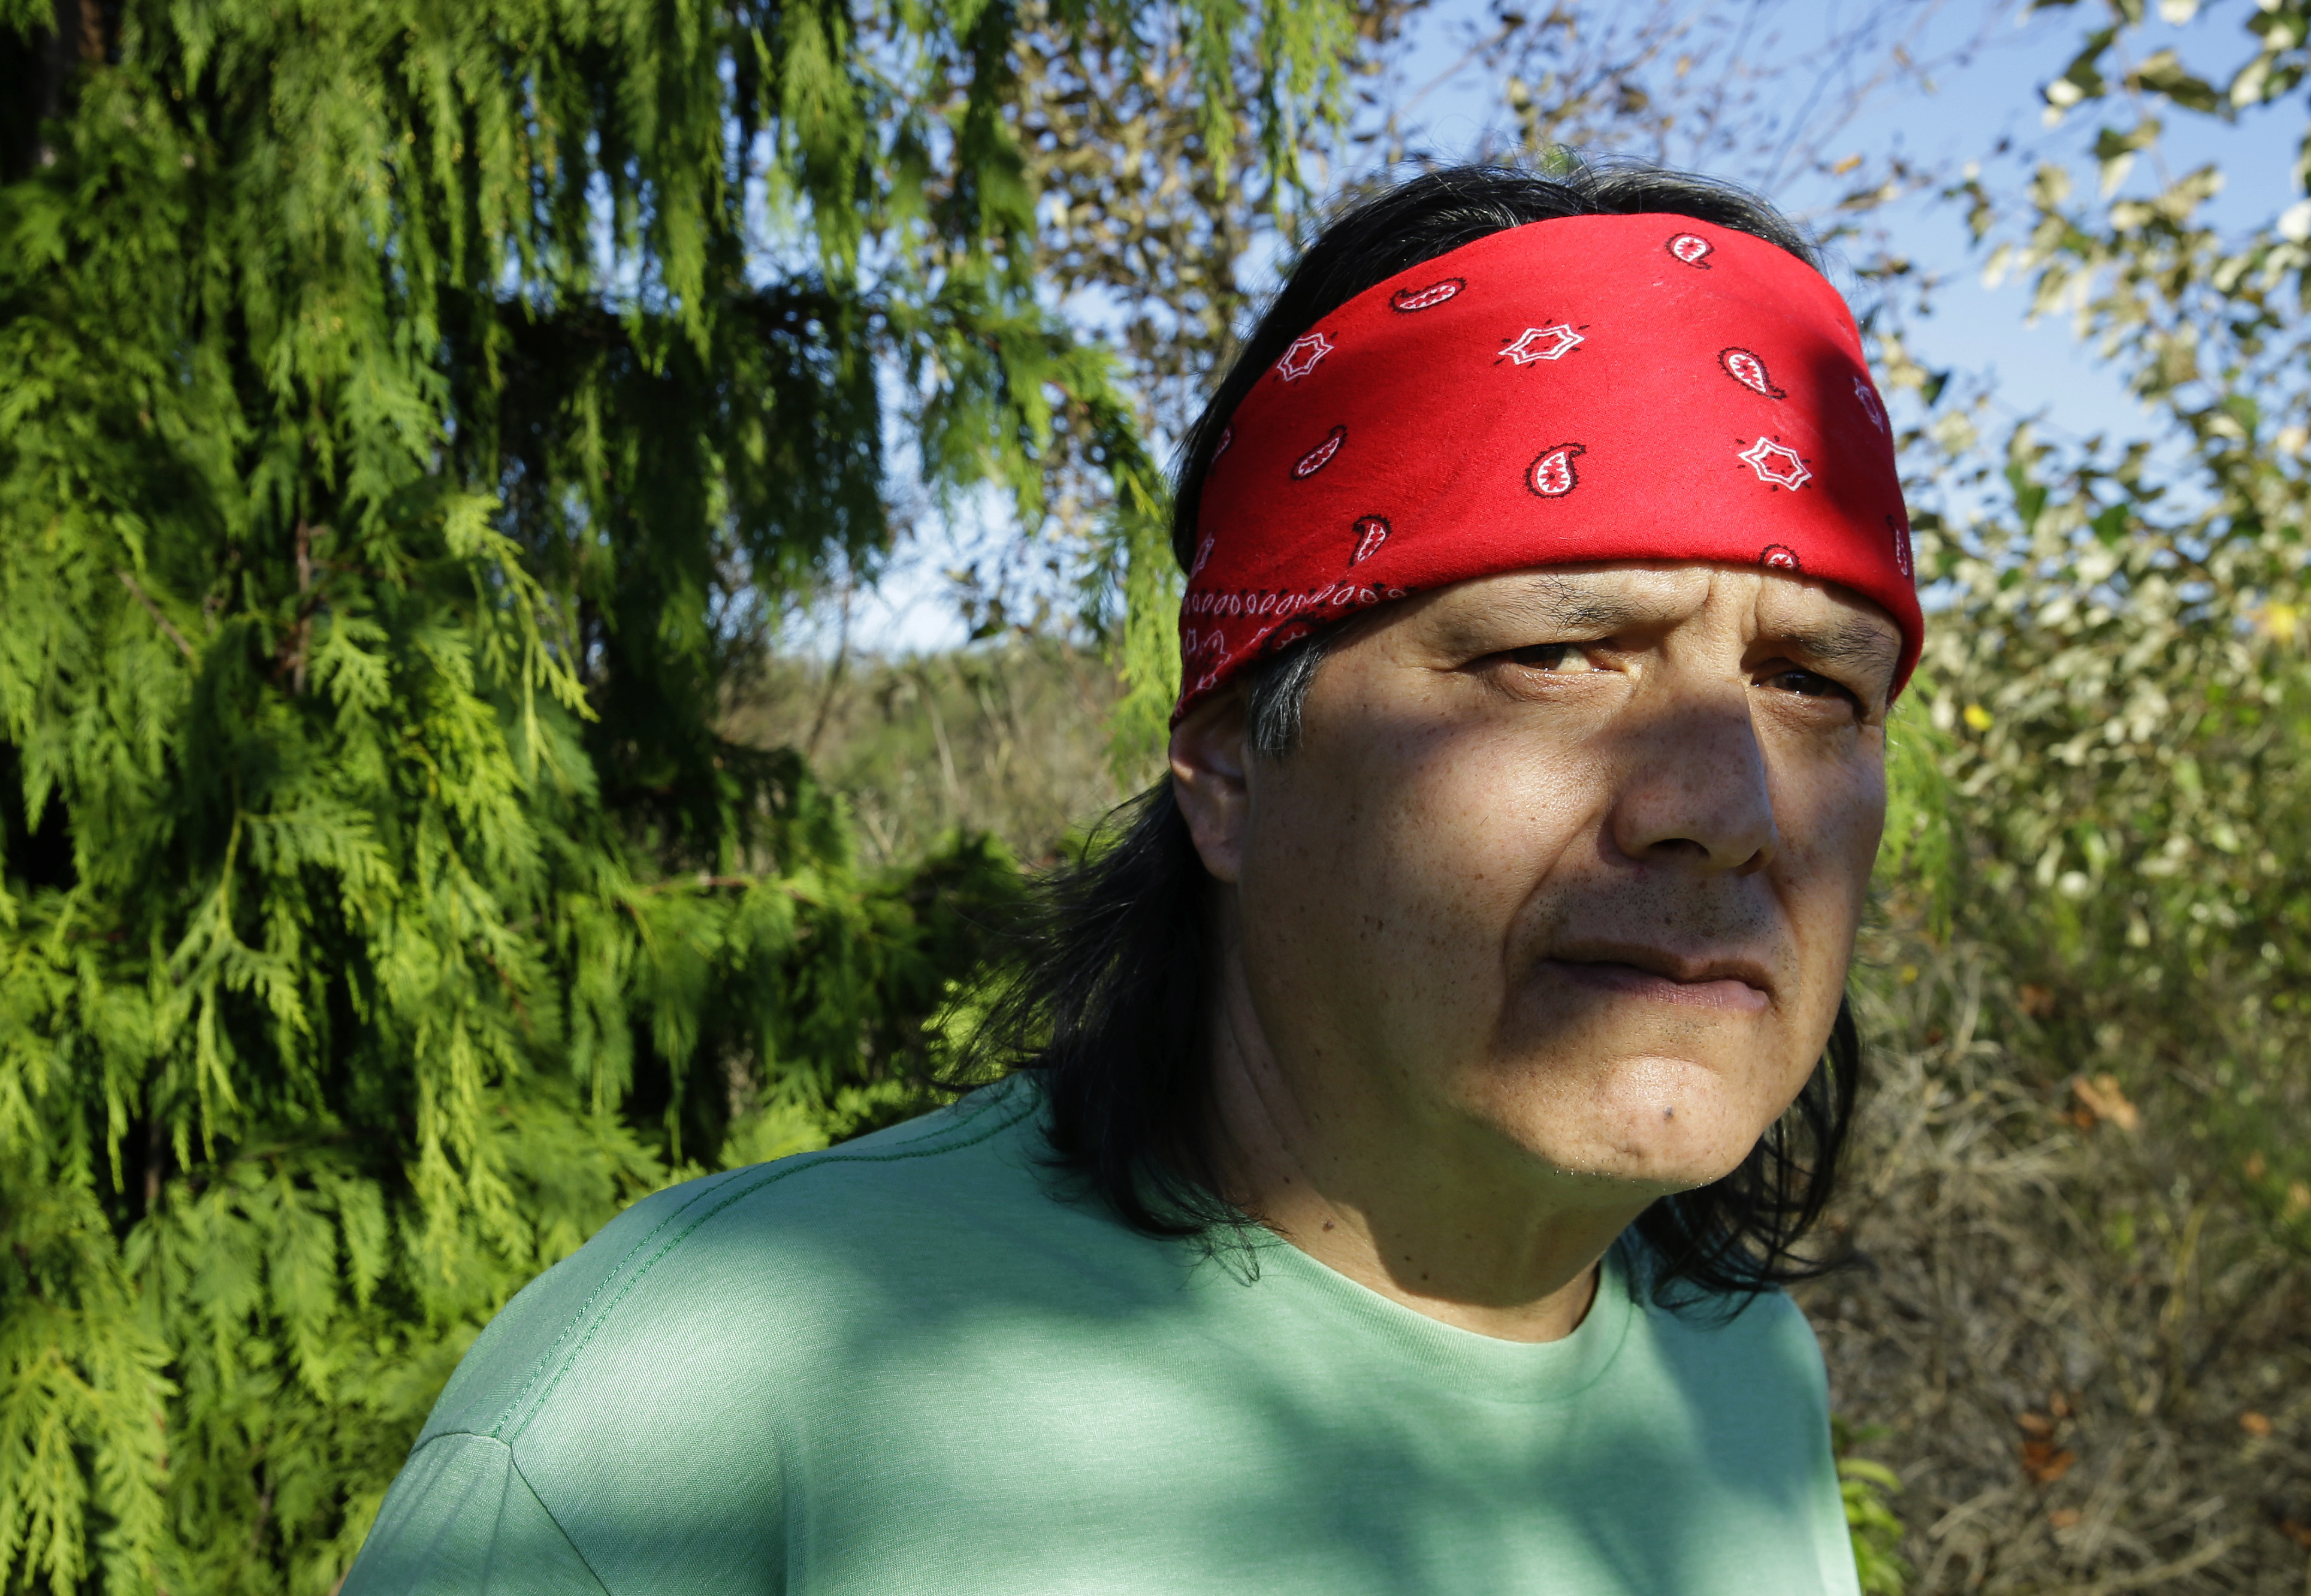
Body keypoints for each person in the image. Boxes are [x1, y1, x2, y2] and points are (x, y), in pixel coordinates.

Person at [343, 159, 1919, 1595]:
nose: (1722, 803)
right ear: (1230, 766)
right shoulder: (715, 1385)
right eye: (1559, 654)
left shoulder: (1736, 1379)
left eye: (1814, 685)